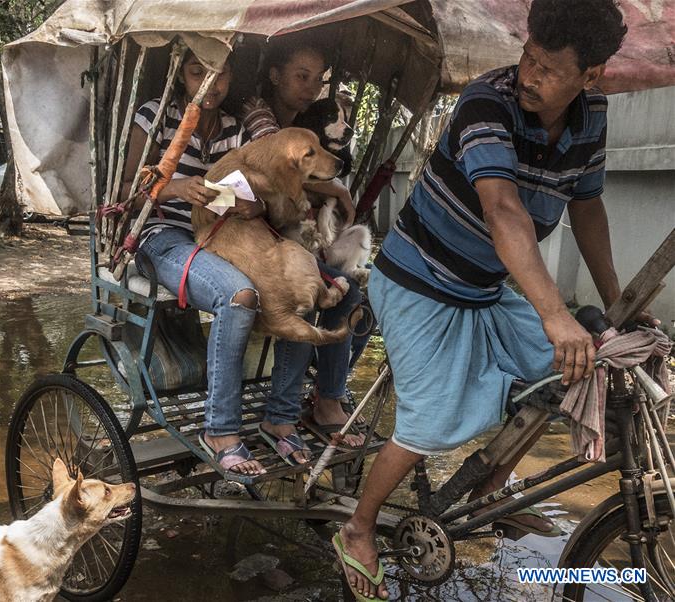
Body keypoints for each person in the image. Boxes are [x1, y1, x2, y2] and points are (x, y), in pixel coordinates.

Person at [333, 1, 636, 599]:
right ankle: (358, 529)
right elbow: (503, 209)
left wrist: (615, 300)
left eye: (548, 69)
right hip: (419, 283)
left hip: (486, 288)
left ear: (591, 77)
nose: (528, 74)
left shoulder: (591, 116)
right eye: (528, 57)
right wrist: (554, 313)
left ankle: (486, 491)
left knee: (571, 373)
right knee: (431, 421)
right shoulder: (486, 101)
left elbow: (588, 205)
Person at [119, 51, 309, 475]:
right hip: (163, 235)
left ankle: (280, 419)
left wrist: (252, 205)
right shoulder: (155, 116)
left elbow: (265, 195)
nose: (210, 82)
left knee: (301, 293)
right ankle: (219, 430)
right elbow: (126, 186)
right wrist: (175, 188)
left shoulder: (235, 129)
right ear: (180, 75)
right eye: (196, 72)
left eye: (219, 72)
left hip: (227, 235)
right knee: (237, 296)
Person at [241, 37, 366, 449]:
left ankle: (326, 397)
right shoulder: (258, 114)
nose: (311, 87)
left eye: (318, 79)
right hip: (249, 233)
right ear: (275, 75)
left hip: (287, 234)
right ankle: (282, 416)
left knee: (362, 296)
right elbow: (285, 173)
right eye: (301, 76)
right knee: (317, 293)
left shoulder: (308, 122)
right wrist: (339, 190)